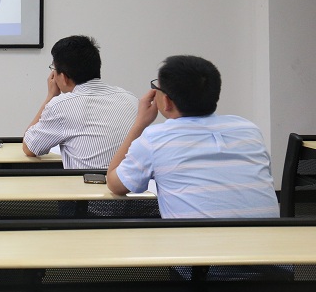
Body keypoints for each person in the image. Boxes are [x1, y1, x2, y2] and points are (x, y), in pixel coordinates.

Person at [107, 55, 279, 218]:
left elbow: (115, 184)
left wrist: (140, 123)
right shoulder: (248, 129)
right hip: (269, 238)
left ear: (166, 101)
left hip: (195, 240)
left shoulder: (155, 138)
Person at [23, 35, 137, 169]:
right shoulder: (131, 100)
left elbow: (29, 148)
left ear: (63, 77)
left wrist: (51, 96)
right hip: (129, 182)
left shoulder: (60, 106)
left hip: (86, 182)